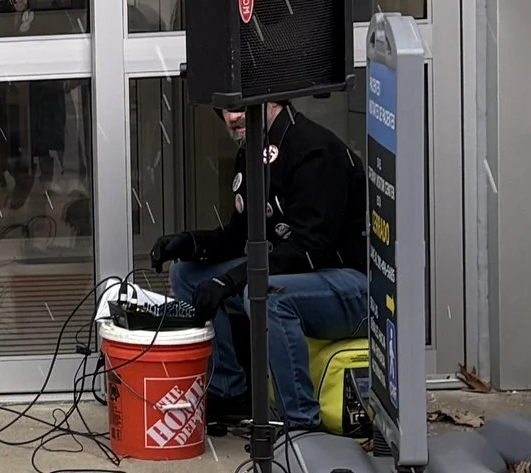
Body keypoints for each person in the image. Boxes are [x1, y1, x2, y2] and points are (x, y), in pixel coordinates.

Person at [150, 96, 368, 430]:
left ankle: (301, 425)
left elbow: (309, 249)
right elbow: (240, 238)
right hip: (299, 277)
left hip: (354, 287)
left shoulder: (314, 150)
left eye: (241, 107)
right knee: (188, 274)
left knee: (266, 295)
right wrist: (190, 243)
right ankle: (227, 391)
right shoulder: (254, 151)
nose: (233, 117)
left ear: (271, 101)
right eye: (225, 110)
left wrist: (233, 280)